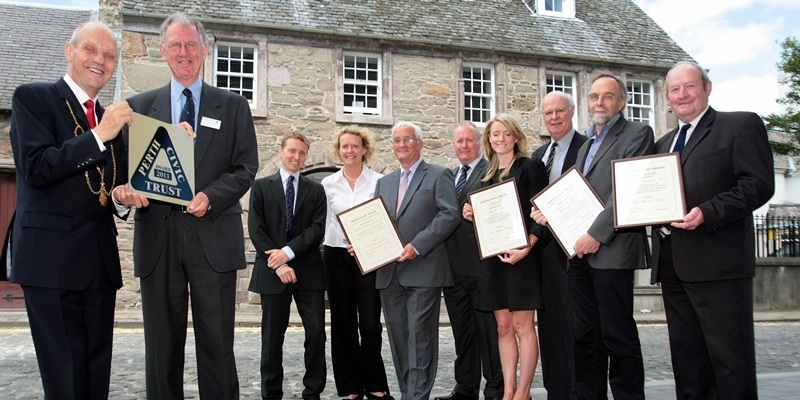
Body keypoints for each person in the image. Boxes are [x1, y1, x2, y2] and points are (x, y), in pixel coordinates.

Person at [114, 12, 258, 400]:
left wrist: (210, 196)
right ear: (163, 51)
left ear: (205, 50)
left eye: (191, 45)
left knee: (217, 344)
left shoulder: (233, 106)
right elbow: (122, 172)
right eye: (175, 45)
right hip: (159, 238)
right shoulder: (138, 108)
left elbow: (245, 168)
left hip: (212, 235)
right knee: (161, 348)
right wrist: (124, 192)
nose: (184, 53)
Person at [8, 21, 133, 399]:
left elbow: (107, 190)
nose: (100, 61)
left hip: (99, 262)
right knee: (66, 378)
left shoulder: (112, 121)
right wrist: (99, 134)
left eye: (109, 55)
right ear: (69, 51)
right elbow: (37, 169)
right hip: (51, 262)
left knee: (96, 375)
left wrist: (122, 197)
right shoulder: (33, 98)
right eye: (90, 50)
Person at [651, 61, 773, 399]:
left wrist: (707, 211)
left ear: (707, 88)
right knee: (687, 361)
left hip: (719, 264)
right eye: (675, 90)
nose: (682, 95)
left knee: (730, 361)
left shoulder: (740, 125)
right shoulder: (662, 144)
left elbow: (758, 185)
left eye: (689, 86)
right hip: (673, 265)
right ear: (667, 97)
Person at [533, 74, 652, 400]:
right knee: (585, 335)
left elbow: (626, 191)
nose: (600, 102)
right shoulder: (587, 142)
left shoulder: (637, 134)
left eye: (608, 96)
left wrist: (595, 235)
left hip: (611, 250)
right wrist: (551, 215)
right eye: (595, 96)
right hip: (579, 255)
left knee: (618, 336)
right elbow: (577, 197)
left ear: (621, 102)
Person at [463, 114, 548, 400]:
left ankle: (523, 393)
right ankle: (508, 391)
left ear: (515, 137)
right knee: (502, 327)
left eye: (505, 134)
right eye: (494, 134)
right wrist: (471, 211)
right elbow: (484, 215)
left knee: (523, 326)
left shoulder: (530, 167)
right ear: (488, 140)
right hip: (494, 260)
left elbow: (542, 213)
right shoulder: (485, 174)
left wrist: (530, 244)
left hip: (523, 257)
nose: (500, 139)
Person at [372, 121, 460, 400]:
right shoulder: (383, 182)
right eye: (396, 140)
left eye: (407, 139)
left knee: (420, 339)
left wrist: (417, 246)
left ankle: (417, 396)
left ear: (420, 143)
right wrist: (363, 246)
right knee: (399, 340)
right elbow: (376, 224)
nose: (401, 144)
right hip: (389, 273)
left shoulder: (438, 175)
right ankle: (408, 393)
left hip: (424, 269)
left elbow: (449, 215)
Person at [248, 132, 327, 400]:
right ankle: (271, 394)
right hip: (272, 272)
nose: (297, 157)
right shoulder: (260, 187)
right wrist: (278, 264)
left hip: (309, 271)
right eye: (292, 151)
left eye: (302, 153)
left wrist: (288, 253)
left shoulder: (316, 189)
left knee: (316, 334)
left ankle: (312, 392)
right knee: (271, 339)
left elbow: (317, 230)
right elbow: (256, 230)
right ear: (281, 152)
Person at [321, 126, 393, 400]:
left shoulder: (379, 181)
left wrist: (368, 243)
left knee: (371, 323)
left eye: (354, 146)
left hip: (369, 257)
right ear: (338, 151)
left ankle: (375, 384)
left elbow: (384, 219)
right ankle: (350, 388)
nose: (349, 151)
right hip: (336, 256)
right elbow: (325, 222)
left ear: (364, 149)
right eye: (344, 146)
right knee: (343, 323)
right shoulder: (328, 184)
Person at [436, 122, 504, 400]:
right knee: (462, 333)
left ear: (480, 142)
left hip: (482, 267)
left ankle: (495, 388)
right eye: (459, 141)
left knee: (488, 333)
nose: (464, 146)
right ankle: (465, 389)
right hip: (453, 271)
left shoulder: (492, 172)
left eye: (469, 141)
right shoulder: (449, 176)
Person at [530, 91, 586, 400]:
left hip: (577, 252)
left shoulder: (586, 148)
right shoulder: (538, 155)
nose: (553, 117)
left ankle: (579, 390)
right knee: (549, 329)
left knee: (577, 327)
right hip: (545, 254)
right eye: (548, 112)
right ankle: (557, 390)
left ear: (572, 112)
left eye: (559, 111)